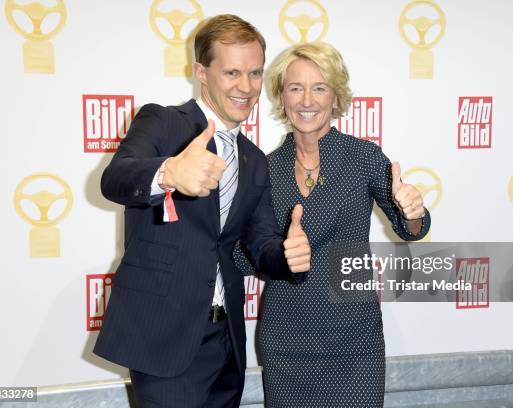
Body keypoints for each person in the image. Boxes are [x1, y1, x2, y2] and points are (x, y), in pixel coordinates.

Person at [93, 15, 311, 408]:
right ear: (201, 72)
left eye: (255, 73)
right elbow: (115, 179)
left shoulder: (255, 160)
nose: (246, 87)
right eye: (231, 72)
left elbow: (259, 244)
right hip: (165, 338)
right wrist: (169, 171)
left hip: (226, 342)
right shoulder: (162, 121)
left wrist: (287, 257)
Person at [234, 42, 431, 407]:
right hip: (287, 343)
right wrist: (279, 252)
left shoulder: (363, 157)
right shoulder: (264, 168)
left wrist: (412, 211)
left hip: (355, 343)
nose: (307, 100)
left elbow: (411, 228)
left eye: (319, 87)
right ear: (281, 96)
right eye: (296, 88)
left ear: (335, 96)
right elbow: (244, 257)